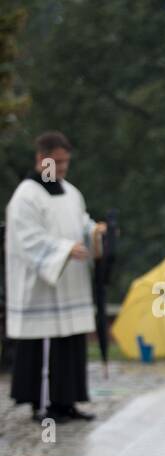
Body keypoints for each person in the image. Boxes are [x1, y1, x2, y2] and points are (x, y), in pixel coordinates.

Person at [5, 131, 105, 423]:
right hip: (42, 288)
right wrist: (63, 250)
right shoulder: (26, 196)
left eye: (65, 163)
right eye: (56, 162)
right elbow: (28, 239)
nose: (61, 169)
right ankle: (42, 404)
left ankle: (67, 401)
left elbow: (80, 224)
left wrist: (93, 232)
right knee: (44, 347)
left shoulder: (72, 193)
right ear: (41, 159)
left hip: (70, 285)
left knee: (70, 345)